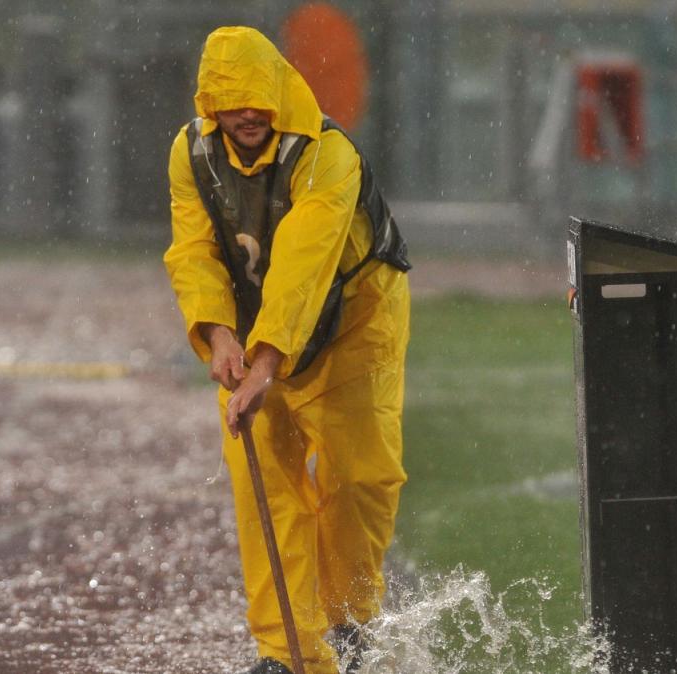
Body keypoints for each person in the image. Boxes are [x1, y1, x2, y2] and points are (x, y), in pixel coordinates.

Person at [164, 27, 412, 674]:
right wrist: (217, 335)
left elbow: (305, 266)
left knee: (359, 478)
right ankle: (287, 654)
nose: (248, 114)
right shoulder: (190, 153)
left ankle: (348, 620)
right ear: (209, 101)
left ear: (279, 91)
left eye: (258, 100)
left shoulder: (327, 155)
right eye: (231, 100)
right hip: (255, 328)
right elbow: (194, 251)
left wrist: (265, 365)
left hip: (354, 323)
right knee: (263, 484)